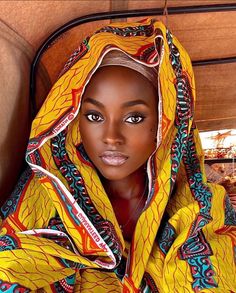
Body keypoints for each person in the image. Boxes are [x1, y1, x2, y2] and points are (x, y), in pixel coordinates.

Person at [0, 18, 235, 292]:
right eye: (94, 116)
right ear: (75, 122)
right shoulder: (44, 195)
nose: (111, 136)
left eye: (134, 117)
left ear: (165, 123)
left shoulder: (202, 209)